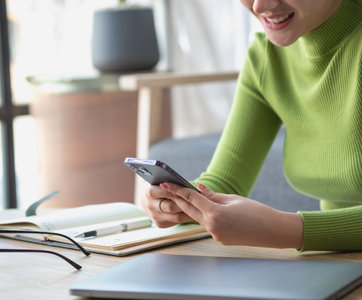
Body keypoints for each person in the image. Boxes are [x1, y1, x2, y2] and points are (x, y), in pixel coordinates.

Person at [141, 0, 362, 251]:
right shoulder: (266, 57)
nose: (259, 5)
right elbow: (224, 181)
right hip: (334, 262)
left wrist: (283, 229)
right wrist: (176, 200)